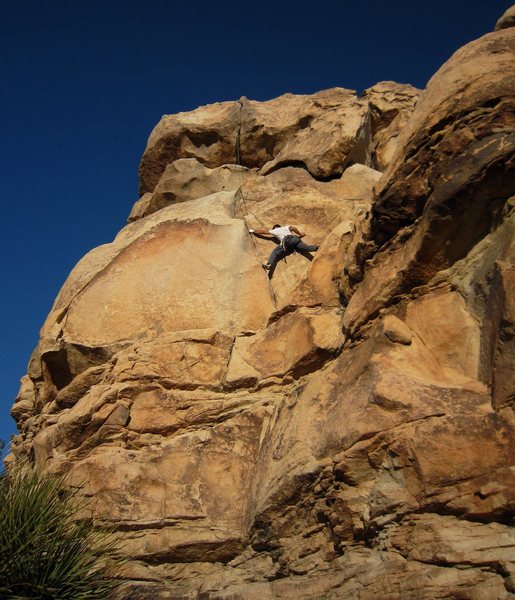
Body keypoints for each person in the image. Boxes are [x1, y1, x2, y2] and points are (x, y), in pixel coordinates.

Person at [249, 224, 319, 275]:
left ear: (274, 228)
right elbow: (293, 228)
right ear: (280, 226)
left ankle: (269, 265)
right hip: (295, 239)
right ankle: (317, 248)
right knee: (306, 248)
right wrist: (300, 234)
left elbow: (263, 232)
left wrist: (253, 231)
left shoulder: (274, 230)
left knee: (275, 252)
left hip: (287, 242)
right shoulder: (285, 227)